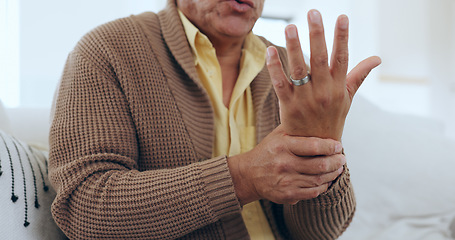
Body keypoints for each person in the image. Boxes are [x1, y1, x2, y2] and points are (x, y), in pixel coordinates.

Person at [49, 0, 381, 239]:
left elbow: (321, 233)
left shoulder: (286, 67)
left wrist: (322, 153)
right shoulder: (108, 50)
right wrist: (244, 177)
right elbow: (83, 208)